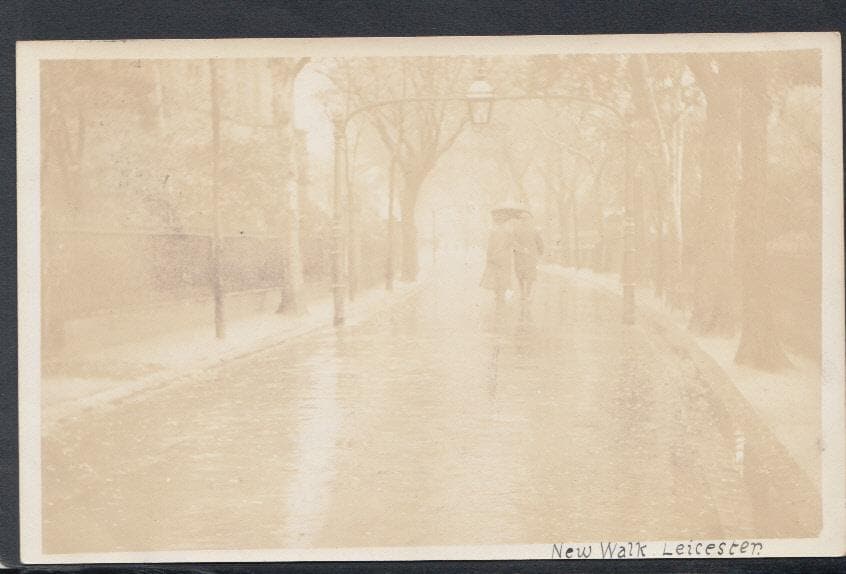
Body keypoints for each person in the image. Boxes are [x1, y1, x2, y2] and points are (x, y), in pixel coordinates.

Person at [480, 213, 514, 303]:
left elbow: (490, 246)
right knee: (504, 275)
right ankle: (501, 293)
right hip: (505, 257)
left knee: (496, 275)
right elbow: (511, 244)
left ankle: (497, 294)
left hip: (495, 256)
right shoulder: (508, 232)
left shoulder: (493, 232)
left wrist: (489, 257)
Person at [513, 211, 544, 302]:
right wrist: (521, 249)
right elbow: (513, 242)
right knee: (521, 275)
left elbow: (539, 242)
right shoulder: (516, 230)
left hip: (530, 256)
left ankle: (527, 293)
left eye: (526, 219)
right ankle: (523, 293)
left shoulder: (534, 230)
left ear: (529, 220)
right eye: (522, 219)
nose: (524, 221)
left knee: (529, 276)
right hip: (521, 256)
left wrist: (540, 251)